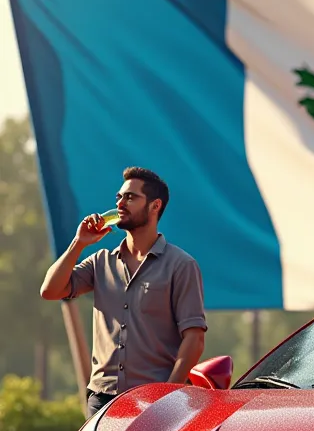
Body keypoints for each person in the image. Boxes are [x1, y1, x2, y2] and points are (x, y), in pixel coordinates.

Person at [41, 167, 207, 417]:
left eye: (130, 197)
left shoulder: (181, 266)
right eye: (119, 197)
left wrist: (168, 393)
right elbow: (50, 291)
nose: (120, 203)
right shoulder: (101, 262)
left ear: (155, 206)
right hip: (101, 400)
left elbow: (194, 339)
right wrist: (79, 243)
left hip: (153, 400)